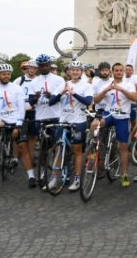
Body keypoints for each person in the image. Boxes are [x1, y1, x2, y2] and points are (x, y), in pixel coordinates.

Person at [47, 60, 93, 192]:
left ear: (81, 72)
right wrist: (62, 93)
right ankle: (55, 177)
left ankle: (77, 178)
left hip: (78, 121)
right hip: (63, 120)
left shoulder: (86, 86)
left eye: (77, 70)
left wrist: (73, 94)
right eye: (72, 69)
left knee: (77, 149)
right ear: (69, 71)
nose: (75, 72)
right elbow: (51, 102)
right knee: (58, 149)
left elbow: (88, 101)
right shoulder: (62, 85)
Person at [92, 63, 137, 187]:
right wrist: (105, 90)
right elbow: (96, 101)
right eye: (116, 70)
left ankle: (124, 174)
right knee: (95, 124)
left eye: (120, 70)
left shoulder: (128, 85)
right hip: (109, 114)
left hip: (122, 116)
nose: (119, 72)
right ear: (112, 72)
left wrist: (121, 89)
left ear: (123, 72)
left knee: (123, 146)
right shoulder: (106, 84)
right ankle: (93, 148)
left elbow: (135, 98)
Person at [0, 63, 29, 182]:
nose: (6, 76)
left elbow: (21, 107)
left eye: (8, 74)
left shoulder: (17, 89)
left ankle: (13, 157)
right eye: (3, 74)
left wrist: (19, 122)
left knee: (16, 136)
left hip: (14, 120)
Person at [26, 54, 65, 187]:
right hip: (41, 117)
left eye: (46, 65)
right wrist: (36, 98)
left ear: (49, 65)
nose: (44, 67)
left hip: (56, 116)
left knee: (57, 146)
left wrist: (53, 96)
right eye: (41, 66)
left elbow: (64, 98)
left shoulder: (59, 79)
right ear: (38, 67)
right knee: (43, 147)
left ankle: (58, 173)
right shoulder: (33, 82)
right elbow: (31, 102)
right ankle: (42, 172)